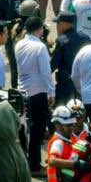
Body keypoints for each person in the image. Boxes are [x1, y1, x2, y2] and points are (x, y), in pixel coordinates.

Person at [15, 16, 54, 172]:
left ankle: (29, 163)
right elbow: (45, 72)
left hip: (23, 92)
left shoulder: (19, 44)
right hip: (38, 92)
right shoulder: (40, 47)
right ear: (40, 29)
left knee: (27, 130)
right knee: (38, 131)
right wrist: (51, 92)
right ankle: (34, 165)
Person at [48, 12, 82, 104]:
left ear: (65, 24)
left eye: (58, 23)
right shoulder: (85, 37)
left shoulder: (61, 41)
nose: (57, 26)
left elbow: (53, 65)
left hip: (66, 86)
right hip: (83, 83)